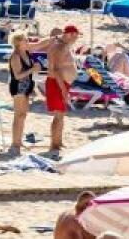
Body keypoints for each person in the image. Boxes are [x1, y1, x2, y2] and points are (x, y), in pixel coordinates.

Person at [45, 25, 81, 158]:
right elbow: (55, 69)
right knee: (58, 115)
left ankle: (58, 142)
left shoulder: (63, 45)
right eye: (75, 35)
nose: (76, 38)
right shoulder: (59, 47)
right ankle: (53, 144)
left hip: (61, 82)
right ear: (69, 34)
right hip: (57, 83)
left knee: (62, 114)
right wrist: (63, 89)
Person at [7, 32, 40, 157]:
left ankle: (18, 142)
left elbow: (40, 45)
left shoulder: (26, 53)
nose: (27, 41)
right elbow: (18, 75)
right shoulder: (15, 56)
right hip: (18, 87)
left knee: (23, 115)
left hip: (26, 87)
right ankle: (15, 144)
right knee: (18, 115)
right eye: (25, 40)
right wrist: (32, 69)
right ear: (18, 42)